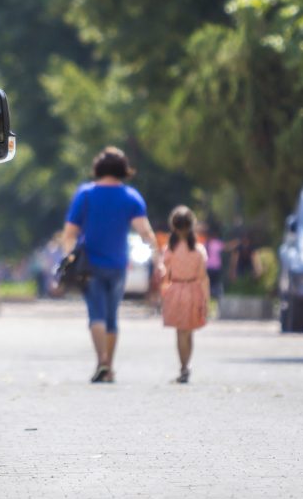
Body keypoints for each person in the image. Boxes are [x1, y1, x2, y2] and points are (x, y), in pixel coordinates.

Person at [61, 146, 163, 384]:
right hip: (118, 264)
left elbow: (69, 233)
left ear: (98, 167)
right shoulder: (131, 197)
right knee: (111, 316)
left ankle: (101, 361)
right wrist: (157, 259)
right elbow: (146, 232)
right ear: (122, 169)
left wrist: (69, 256)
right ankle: (109, 366)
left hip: (90, 265)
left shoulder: (85, 194)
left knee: (95, 313)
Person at [161, 206, 210, 384]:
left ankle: (183, 367)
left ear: (173, 226)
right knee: (189, 332)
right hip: (193, 290)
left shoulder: (169, 249)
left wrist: (162, 294)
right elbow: (203, 277)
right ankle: (186, 365)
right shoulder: (198, 250)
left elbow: (164, 274)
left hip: (176, 290)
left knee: (180, 332)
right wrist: (206, 299)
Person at [200, 223, 225, 301]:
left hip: (207, 267)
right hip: (216, 268)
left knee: (208, 285)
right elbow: (226, 247)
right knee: (217, 284)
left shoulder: (204, 244)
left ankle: (207, 298)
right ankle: (217, 299)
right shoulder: (217, 243)